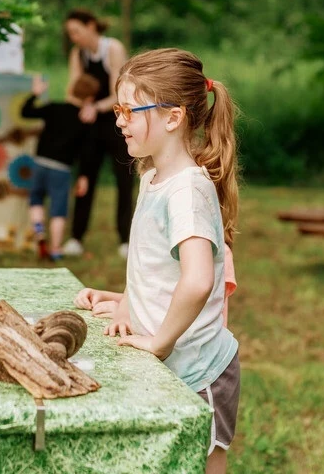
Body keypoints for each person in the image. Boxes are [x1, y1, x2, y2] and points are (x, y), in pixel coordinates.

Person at [73, 48, 241, 474]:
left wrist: (159, 341)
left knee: (202, 462)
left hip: (197, 369)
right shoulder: (152, 178)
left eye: (130, 109)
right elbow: (156, 265)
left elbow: (199, 280)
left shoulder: (185, 190)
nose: (119, 119)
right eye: (117, 108)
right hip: (168, 367)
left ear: (172, 118)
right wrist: (127, 302)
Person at [61, 9, 131, 259]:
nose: (74, 37)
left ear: (91, 26)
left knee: (124, 179)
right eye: (70, 34)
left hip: (116, 121)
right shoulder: (78, 54)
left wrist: (96, 106)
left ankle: (125, 239)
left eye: (76, 31)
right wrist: (84, 104)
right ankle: (76, 238)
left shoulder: (113, 49)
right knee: (84, 179)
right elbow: (71, 91)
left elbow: (120, 91)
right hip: (89, 125)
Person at [20, 72, 100, 261]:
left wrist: (35, 94)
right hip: (61, 169)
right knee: (58, 209)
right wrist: (83, 176)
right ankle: (55, 249)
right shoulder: (84, 120)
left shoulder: (53, 108)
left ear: (70, 89)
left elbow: (26, 112)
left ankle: (40, 234)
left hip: (40, 163)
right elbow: (86, 152)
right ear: (89, 99)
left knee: (36, 200)